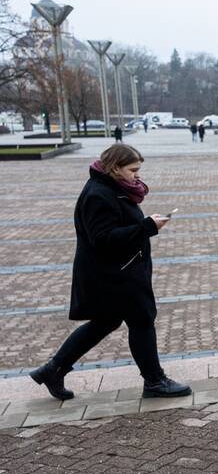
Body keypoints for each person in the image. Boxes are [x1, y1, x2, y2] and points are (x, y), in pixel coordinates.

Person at [29, 144, 191, 401]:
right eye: (133, 170)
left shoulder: (112, 188)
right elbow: (103, 239)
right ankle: (155, 381)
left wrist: (145, 224)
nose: (137, 175)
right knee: (141, 320)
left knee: (107, 321)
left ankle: (53, 370)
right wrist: (147, 226)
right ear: (115, 167)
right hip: (115, 274)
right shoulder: (99, 194)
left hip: (117, 271)